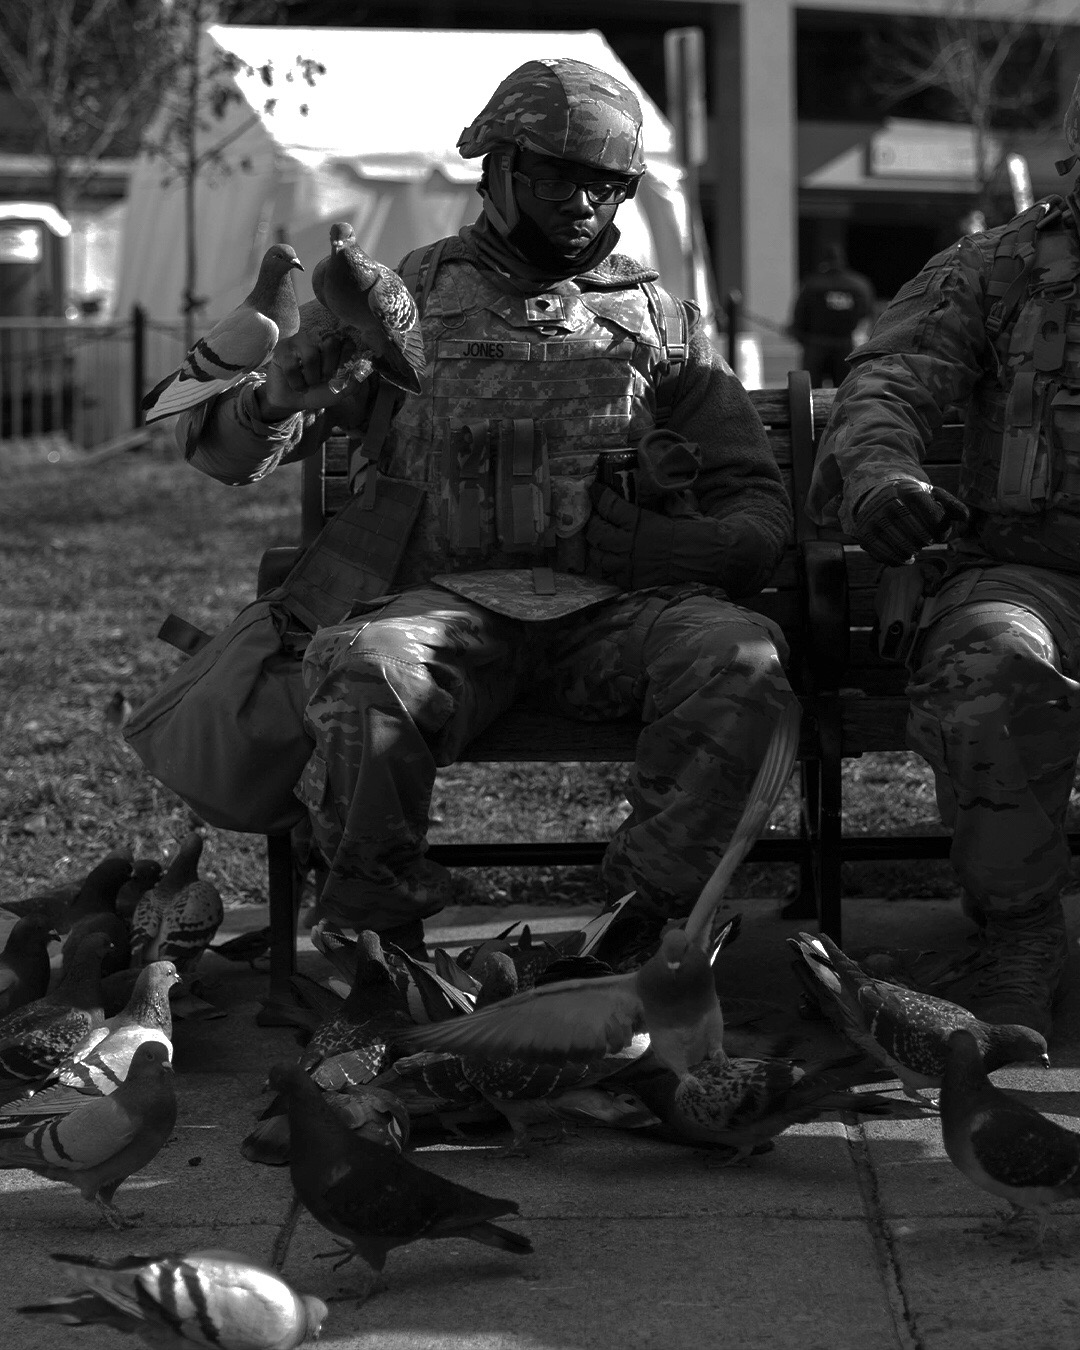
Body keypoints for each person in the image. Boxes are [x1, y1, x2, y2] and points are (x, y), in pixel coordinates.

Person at [175, 58, 795, 958]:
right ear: (495, 169)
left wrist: (691, 546)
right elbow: (215, 453)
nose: (583, 205)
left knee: (743, 660)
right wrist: (276, 401)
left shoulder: (659, 322)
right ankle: (377, 939)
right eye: (555, 176)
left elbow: (758, 507)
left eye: (608, 184)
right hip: (447, 616)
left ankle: (641, 933)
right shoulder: (398, 305)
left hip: (617, 621)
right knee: (362, 662)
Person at [804, 76, 1080, 1040]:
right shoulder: (995, 270)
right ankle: (1019, 937)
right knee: (988, 665)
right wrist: (880, 480)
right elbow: (887, 384)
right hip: (1028, 572)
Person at [787, 244, 876, 388]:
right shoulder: (859, 285)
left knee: (811, 392)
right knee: (845, 391)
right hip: (847, 347)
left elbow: (800, 315)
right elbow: (867, 316)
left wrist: (798, 334)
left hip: (815, 345)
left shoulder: (811, 284)